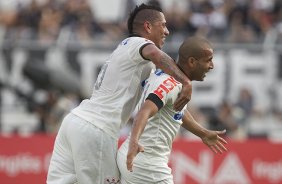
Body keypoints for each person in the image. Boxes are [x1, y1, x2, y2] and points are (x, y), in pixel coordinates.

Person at [47, 3, 193, 184]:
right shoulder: (138, 43)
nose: (167, 31)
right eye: (163, 25)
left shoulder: (128, 53)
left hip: (74, 121)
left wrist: (201, 132)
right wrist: (186, 81)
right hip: (97, 130)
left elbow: (167, 101)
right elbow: (155, 53)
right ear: (148, 27)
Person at [117, 36, 228, 184]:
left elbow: (176, 110)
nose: (211, 66)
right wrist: (134, 142)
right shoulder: (170, 84)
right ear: (192, 62)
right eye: (208, 60)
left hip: (137, 158)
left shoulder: (169, 78)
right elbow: (144, 111)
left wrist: (202, 133)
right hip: (147, 164)